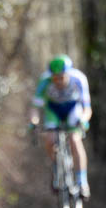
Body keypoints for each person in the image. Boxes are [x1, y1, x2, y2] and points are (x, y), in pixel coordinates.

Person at [29, 54, 92, 199]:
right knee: (50, 139)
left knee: (75, 140)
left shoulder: (79, 79)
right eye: (55, 77)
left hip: (72, 109)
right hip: (53, 110)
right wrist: (34, 121)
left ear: (68, 73)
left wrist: (83, 120)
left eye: (61, 77)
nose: (58, 81)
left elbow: (87, 108)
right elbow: (34, 108)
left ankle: (82, 182)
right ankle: (56, 166)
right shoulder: (44, 81)